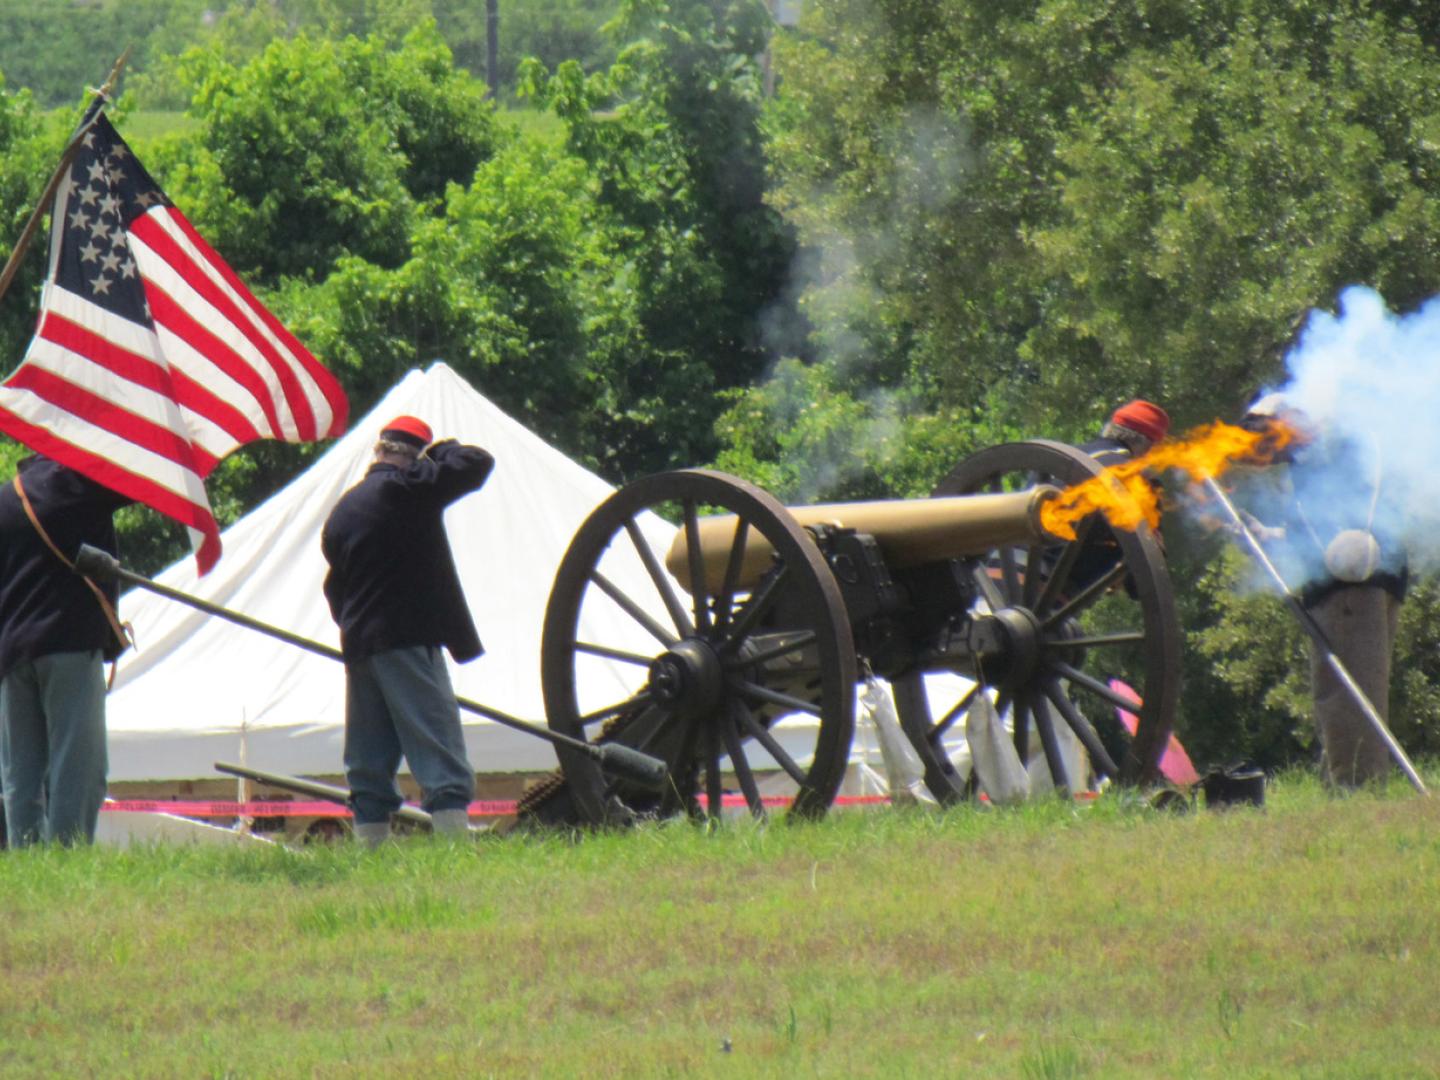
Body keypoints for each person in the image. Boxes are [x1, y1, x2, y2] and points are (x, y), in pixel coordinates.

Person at [321, 416, 494, 845]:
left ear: (378, 452)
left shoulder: (345, 509)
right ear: (409, 457)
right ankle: (454, 850)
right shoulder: (408, 489)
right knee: (438, 746)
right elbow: (477, 462)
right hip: (407, 637)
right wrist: (436, 453)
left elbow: (334, 588)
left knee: (369, 757)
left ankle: (370, 851)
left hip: (361, 644)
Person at [1238, 393, 1407, 787]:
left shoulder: (1330, 453)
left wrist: (1350, 555)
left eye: (1265, 434)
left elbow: (1355, 527)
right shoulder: (1312, 463)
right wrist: (1264, 535)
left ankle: (1356, 787)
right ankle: (1344, 781)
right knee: (1339, 690)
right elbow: (1313, 534)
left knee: (1349, 693)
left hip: (1352, 588)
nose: (1261, 449)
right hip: (1355, 583)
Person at [0, 453, 133, 846]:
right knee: (77, 764)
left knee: (20, 774)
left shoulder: (6, 499)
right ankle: (67, 856)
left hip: (10, 653)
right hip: (68, 643)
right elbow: (144, 481)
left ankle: (25, 858)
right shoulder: (79, 483)